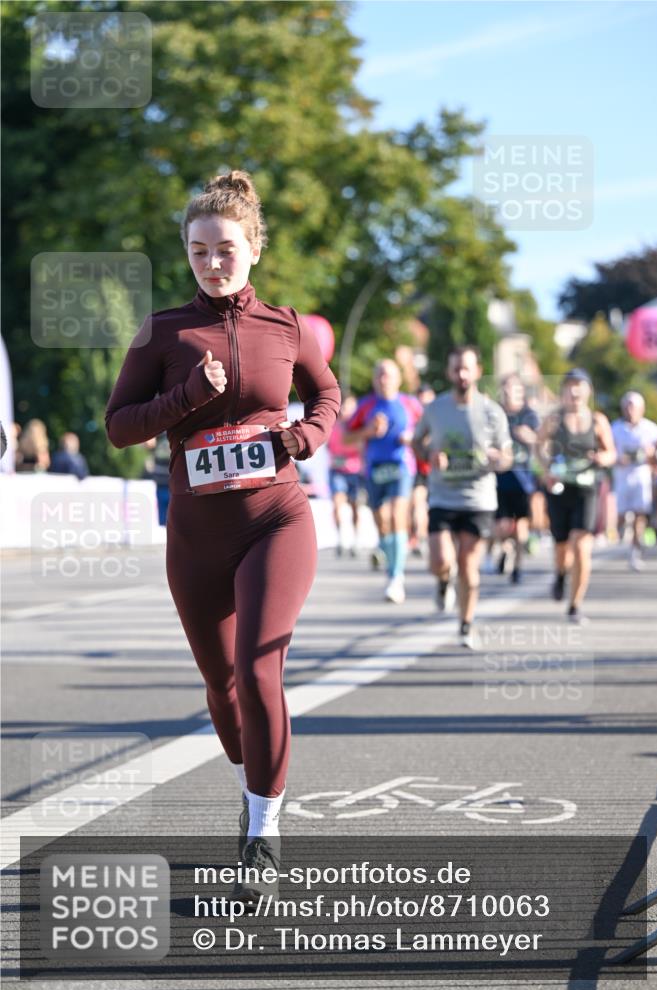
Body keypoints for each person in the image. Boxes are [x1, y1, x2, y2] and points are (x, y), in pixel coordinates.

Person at [106, 170, 340, 903]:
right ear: (187, 254)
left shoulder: (287, 326)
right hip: (197, 533)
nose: (213, 262)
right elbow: (118, 427)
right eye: (199, 250)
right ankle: (253, 785)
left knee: (260, 665)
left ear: (254, 250)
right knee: (223, 684)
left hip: (276, 519)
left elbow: (327, 392)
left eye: (226, 249)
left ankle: (263, 834)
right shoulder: (162, 332)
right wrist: (186, 397)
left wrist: (305, 435)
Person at [413, 345, 513, 648]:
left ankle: (466, 624)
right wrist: (430, 456)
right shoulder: (436, 409)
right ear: (449, 372)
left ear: (478, 371)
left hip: (478, 499)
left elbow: (508, 456)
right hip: (443, 496)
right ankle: (443, 582)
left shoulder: (492, 412)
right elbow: (418, 442)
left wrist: (499, 460)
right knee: (440, 560)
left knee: (469, 565)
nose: (462, 374)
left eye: (467, 368)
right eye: (456, 368)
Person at [536, 369, 616, 623]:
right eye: (570, 386)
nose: (574, 391)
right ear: (563, 391)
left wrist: (603, 457)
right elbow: (539, 446)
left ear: (588, 391)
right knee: (562, 546)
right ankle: (560, 575)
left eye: (579, 386)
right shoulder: (554, 419)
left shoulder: (597, 420)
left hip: (587, 488)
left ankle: (575, 605)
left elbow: (611, 452)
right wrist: (547, 467)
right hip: (560, 488)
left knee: (581, 546)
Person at [344, 359, 422, 604]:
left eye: (388, 375)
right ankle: (392, 568)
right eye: (379, 374)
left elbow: (428, 433)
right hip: (375, 468)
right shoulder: (366, 406)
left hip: (402, 466)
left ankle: (396, 577)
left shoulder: (411, 404)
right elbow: (346, 437)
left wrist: (414, 439)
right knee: (383, 522)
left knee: (398, 516)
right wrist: (367, 432)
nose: (383, 379)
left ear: (398, 379)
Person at [493, 374, 540, 584]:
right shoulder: (496, 413)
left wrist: (527, 436)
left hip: (523, 480)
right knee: (501, 526)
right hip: (500, 478)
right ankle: (506, 548)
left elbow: (541, 442)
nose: (507, 392)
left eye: (511, 388)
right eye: (504, 388)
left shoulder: (529, 415)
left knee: (521, 526)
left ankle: (518, 567)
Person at [610, 391, 657, 571]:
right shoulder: (615, 427)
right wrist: (617, 459)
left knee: (640, 514)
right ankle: (622, 530)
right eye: (628, 406)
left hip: (641, 476)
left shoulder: (651, 429)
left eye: (634, 406)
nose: (630, 410)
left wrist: (651, 456)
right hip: (622, 476)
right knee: (623, 514)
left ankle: (635, 550)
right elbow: (608, 451)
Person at [327, 394, 364, 556]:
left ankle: (355, 539)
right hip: (337, 471)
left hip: (355, 472)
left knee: (355, 506)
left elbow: (363, 448)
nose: (345, 410)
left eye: (349, 406)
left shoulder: (358, 428)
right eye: (343, 406)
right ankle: (340, 538)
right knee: (337, 504)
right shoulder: (333, 425)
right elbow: (329, 446)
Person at [409, 383, 436, 558]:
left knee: (426, 506)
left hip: (436, 468)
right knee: (418, 504)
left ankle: (423, 537)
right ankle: (420, 537)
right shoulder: (414, 416)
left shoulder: (437, 416)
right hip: (418, 468)